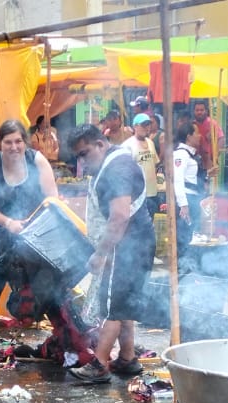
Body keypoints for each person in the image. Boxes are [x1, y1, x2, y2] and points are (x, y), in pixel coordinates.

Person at [66, 124, 155, 384]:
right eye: (78, 157)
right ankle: (127, 358)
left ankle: (100, 363)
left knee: (111, 306)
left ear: (101, 145)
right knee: (123, 302)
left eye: (85, 154)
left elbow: (119, 217)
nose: (82, 162)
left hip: (125, 246)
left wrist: (100, 253)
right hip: (135, 245)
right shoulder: (115, 162)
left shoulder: (117, 168)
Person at [0, 119, 58, 339]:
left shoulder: (37, 160)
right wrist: (8, 222)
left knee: (48, 288)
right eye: (8, 142)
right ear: (0, 144)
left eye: (18, 141)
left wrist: (34, 223)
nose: (14, 147)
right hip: (1, 239)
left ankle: (64, 338)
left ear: (25, 142)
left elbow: (52, 199)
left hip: (35, 239)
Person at [122, 114, 163, 212]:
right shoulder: (127, 145)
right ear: (135, 126)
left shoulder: (150, 143)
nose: (147, 128)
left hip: (152, 193)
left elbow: (155, 164)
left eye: (148, 125)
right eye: (144, 125)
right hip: (137, 195)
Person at [172, 119, 202, 251]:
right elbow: (178, 180)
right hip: (186, 198)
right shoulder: (181, 154)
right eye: (197, 133)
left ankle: (187, 265)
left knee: (189, 234)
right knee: (183, 236)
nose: (199, 136)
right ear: (189, 136)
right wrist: (183, 205)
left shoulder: (189, 154)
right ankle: (182, 266)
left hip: (192, 197)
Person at [190, 99, 223, 189]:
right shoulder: (192, 125)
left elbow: (221, 139)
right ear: (194, 111)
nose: (199, 112)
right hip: (195, 162)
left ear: (206, 111)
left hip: (209, 162)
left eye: (201, 110)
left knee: (208, 188)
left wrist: (214, 157)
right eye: (197, 110)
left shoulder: (212, 124)